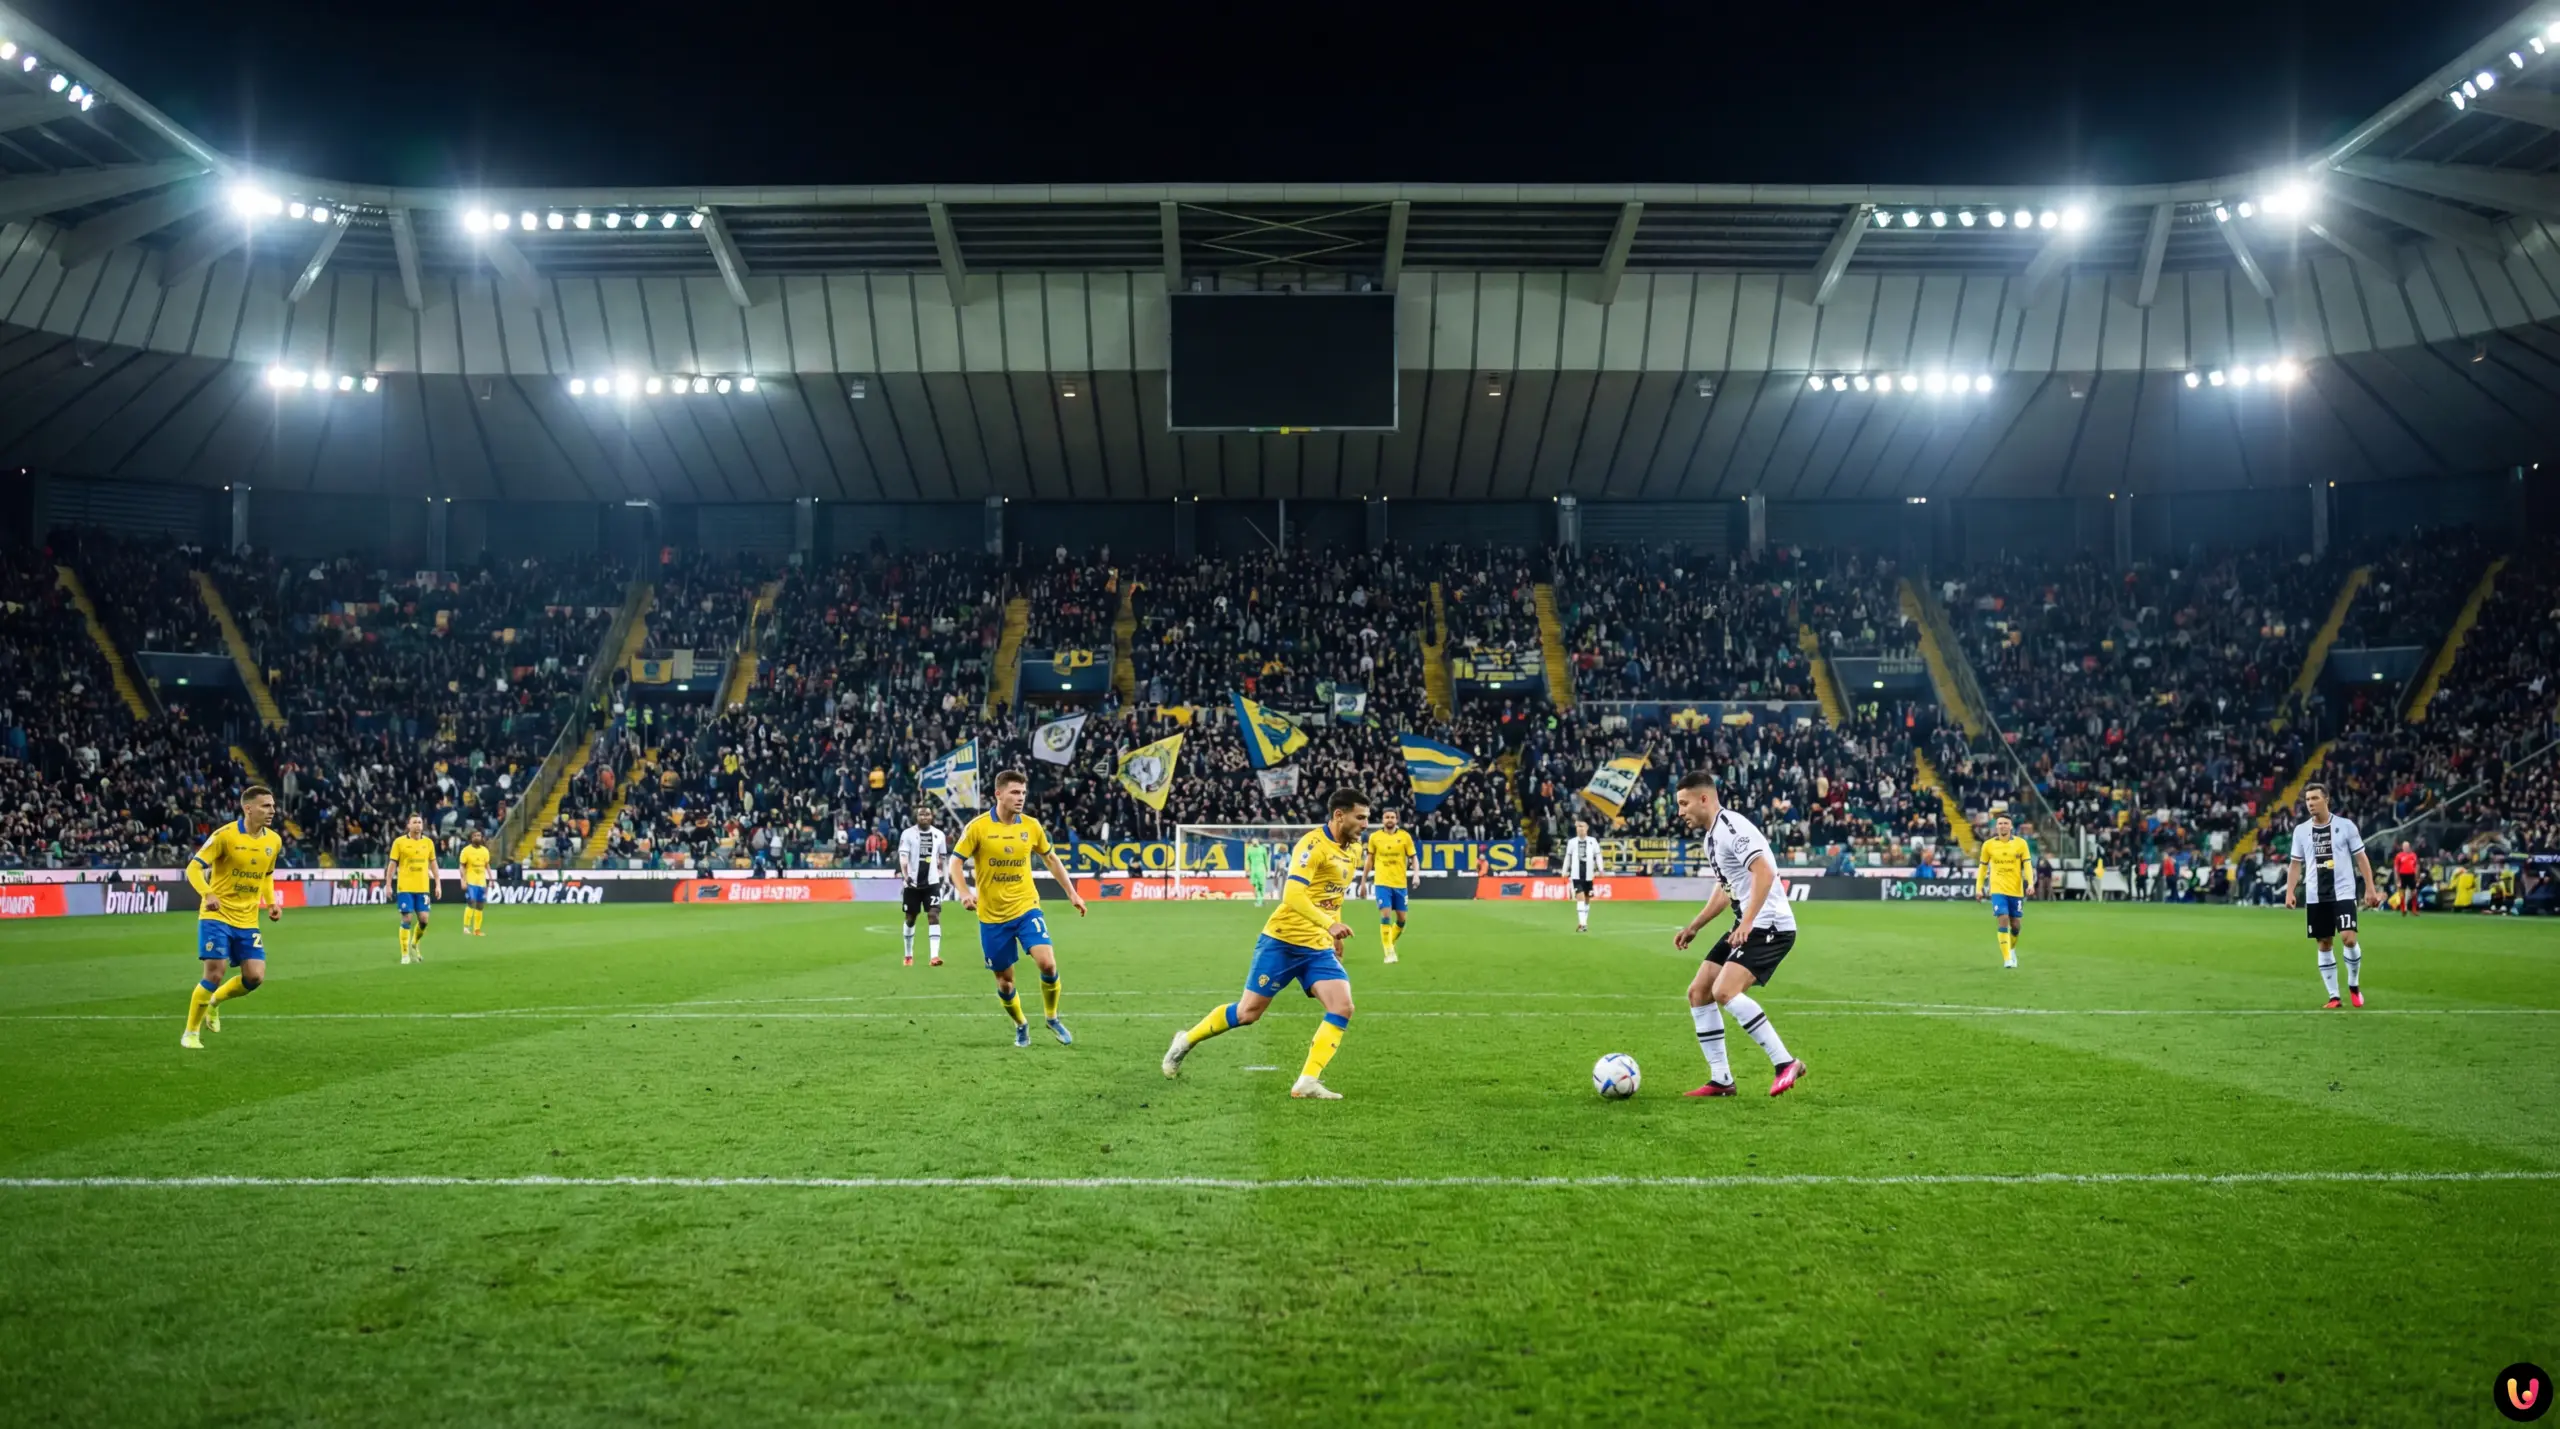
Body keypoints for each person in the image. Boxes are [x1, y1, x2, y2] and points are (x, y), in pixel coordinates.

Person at [1161, 787, 1369, 1100]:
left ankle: (1307, 1081)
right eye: (1360, 817)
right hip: (1282, 942)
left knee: (1342, 1006)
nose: (1365, 824)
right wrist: (1330, 924)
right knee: (1247, 1013)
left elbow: (1332, 895)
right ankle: (1185, 1041)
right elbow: (1292, 894)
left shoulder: (1354, 849)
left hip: (1317, 947)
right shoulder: (1312, 845)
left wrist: (1331, 934)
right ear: (1339, 815)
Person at [1670, 771, 1807, 1098]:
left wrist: (1747, 921)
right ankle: (1721, 1080)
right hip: (1748, 922)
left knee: (1724, 990)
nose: (1680, 811)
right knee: (1699, 992)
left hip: (1770, 924)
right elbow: (1726, 888)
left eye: (1684, 803)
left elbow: (1764, 872)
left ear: (1704, 799)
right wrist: (1695, 926)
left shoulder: (1732, 827)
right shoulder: (1711, 837)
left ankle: (1785, 1063)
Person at [947, 770, 1086, 1047]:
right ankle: (1021, 1024)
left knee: (1048, 963)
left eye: (1023, 792)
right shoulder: (977, 827)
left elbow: (1051, 859)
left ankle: (1052, 1017)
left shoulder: (1031, 826)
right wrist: (964, 892)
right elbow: (955, 862)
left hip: (1026, 907)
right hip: (992, 916)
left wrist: (1072, 893)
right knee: (1005, 982)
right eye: (1014, 792)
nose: (1020, 797)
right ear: (998, 794)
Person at [180, 785, 284, 1050]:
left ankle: (214, 1003)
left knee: (255, 977)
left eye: (273, 805)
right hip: (217, 915)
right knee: (215, 973)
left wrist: (271, 902)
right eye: (266, 806)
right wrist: (207, 893)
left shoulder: (274, 841)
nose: (272, 810)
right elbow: (193, 869)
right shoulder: (224, 836)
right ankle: (191, 1033)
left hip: (248, 919)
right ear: (248, 808)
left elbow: (267, 875)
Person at [2284, 784, 2381, 1009]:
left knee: (2349, 938)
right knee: (2324, 943)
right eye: (2307, 799)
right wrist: (2290, 891)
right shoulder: (2301, 831)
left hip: (2343, 892)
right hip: (2316, 895)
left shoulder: (2345, 826)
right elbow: (2295, 864)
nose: (2310, 803)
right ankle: (2334, 996)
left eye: (2315, 798)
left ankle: (2353, 984)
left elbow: (2361, 858)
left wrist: (2370, 888)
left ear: (2326, 799)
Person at [1974, 815, 2033, 969]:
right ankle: (2007, 959)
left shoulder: (2021, 844)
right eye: (2000, 823)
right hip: (1997, 889)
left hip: (2016, 890)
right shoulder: (1988, 845)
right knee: (2003, 918)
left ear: (2011, 826)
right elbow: (1982, 868)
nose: (2003, 826)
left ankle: (2011, 950)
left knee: (2016, 926)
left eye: (2006, 823)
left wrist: (2030, 883)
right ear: (1996, 826)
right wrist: (1978, 888)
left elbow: (2027, 865)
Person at [897, 804, 949, 967]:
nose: (924, 817)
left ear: (932, 816)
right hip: (912, 884)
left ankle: (934, 956)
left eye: (927, 814)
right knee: (910, 918)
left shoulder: (939, 835)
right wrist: (906, 876)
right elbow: (903, 858)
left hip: (932, 883)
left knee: (934, 915)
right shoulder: (908, 834)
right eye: (921, 814)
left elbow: (943, 859)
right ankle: (908, 955)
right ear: (916, 817)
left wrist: (946, 879)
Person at [1364, 808, 1417, 962]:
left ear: (1396, 820)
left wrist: (1416, 874)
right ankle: (1389, 952)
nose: (1389, 819)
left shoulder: (1405, 837)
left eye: (1392, 817)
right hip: (1382, 882)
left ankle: (1389, 944)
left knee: (1402, 919)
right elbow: (1369, 860)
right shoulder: (1375, 837)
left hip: (1400, 883)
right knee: (1386, 915)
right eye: (1387, 817)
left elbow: (1413, 857)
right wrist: (1363, 881)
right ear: (1382, 820)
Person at [387, 814, 439, 964]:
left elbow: (433, 863)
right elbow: (392, 864)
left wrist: (438, 883)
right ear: (408, 825)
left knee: (424, 919)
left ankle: (414, 943)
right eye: (414, 822)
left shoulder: (428, 843)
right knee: (407, 918)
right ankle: (405, 955)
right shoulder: (399, 842)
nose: (417, 825)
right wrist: (388, 884)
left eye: (420, 822)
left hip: (423, 887)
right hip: (405, 887)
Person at [1560, 817, 1604, 934]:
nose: (1580, 829)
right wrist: (1564, 870)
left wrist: (1601, 869)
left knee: (1587, 898)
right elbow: (1568, 857)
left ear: (1587, 828)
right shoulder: (1572, 842)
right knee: (1580, 897)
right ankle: (1583, 924)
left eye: (1582, 826)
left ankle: (1584, 922)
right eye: (1578, 827)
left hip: (1589, 873)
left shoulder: (1593, 841)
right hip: (1576, 873)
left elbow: (1598, 855)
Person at [457, 829, 492, 936]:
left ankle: (477, 930)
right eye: (475, 835)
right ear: (471, 838)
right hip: (470, 881)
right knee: (471, 902)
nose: (477, 837)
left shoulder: (485, 851)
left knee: (480, 905)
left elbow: (487, 865)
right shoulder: (466, 851)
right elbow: (462, 866)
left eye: (479, 835)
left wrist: (491, 879)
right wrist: (463, 881)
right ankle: (466, 927)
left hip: (481, 882)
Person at [2393, 841, 2422, 917]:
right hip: (2402, 875)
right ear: (2402, 848)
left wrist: (2417, 877)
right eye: (2404, 847)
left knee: (2414, 892)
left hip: (2411, 875)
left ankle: (2414, 910)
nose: (2406, 848)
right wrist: (2397, 878)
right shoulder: (2399, 856)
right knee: (2402, 893)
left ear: (2409, 847)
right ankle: (2403, 909)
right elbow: (2396, 868)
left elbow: (2417, 866)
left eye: (2407, 847)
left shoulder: (2413, 855)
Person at [1245, 836, 1274, 905]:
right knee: (1255, 884)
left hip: (1261, 868)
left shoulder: (1262, 849)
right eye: (1253, 841)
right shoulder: (1249, 849)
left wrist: (1267, 869)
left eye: (1255, 841)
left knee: (1261, 884)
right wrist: (1247, 868)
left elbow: (1266, 859)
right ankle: (1259, 899)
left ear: (1258, 841)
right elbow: (1247, 859)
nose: (1254, 842)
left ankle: (1260, 900)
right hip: (1253, 869)